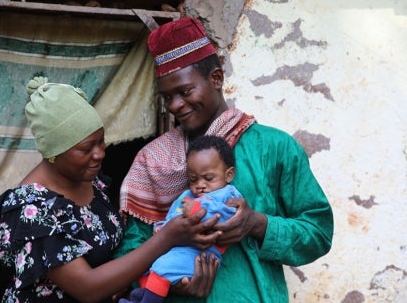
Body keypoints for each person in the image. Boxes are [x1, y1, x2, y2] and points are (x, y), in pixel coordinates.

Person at [115, 17, 334, 303]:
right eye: (167, 97)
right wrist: (174, 282)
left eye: (184, 91)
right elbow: (131, 248)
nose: (175, 106)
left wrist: (257, 223)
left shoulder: (274, 147)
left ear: (216, 78)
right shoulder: (153, 160)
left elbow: (318, 232)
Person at [0, 77, 222, 303]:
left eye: (100, 141)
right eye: (86, 148)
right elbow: (87, 288)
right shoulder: (32, 209)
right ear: (53, 152)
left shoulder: (88, 180)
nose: (99, 153)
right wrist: (167, 238)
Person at [121, 135, 242, 303]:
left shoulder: (228, 194)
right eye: (193, 179)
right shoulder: (187, 195)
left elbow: (227, 217)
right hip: (178, 250)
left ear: (228, 175)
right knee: (146, 268)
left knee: (163, 270)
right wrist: (162, 227)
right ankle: (139, 298)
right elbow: (173, 216)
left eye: (208, 178)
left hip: (201, 255)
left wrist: (197, 210)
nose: (200, 184)